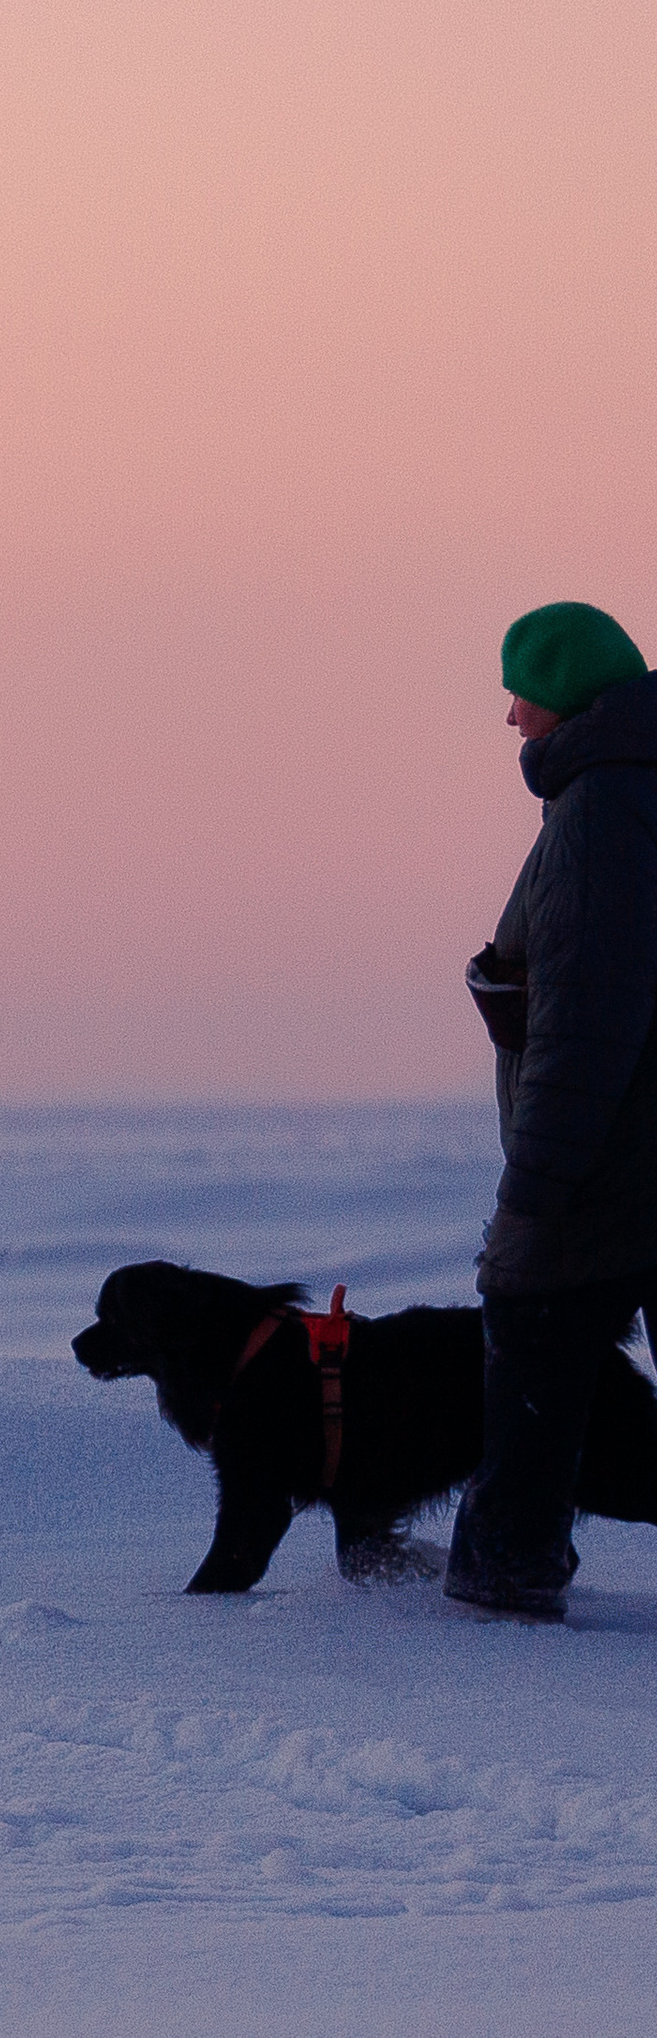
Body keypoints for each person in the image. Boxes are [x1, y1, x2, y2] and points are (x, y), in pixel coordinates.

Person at [447, 601, 657, 1619]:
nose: (510, 719)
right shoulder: (625, 797)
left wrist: (533, 1182)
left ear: (566, 696)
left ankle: (507, 1581)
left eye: (519, 692)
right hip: (631, 1153)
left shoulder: (602, 814)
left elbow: (586, 1014)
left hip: (604, 1159)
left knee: (527, 1332)